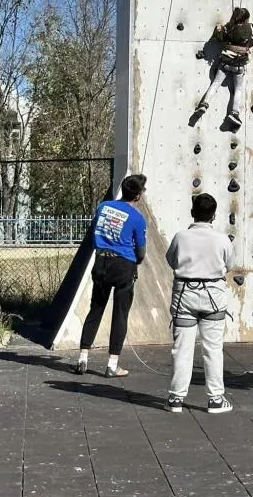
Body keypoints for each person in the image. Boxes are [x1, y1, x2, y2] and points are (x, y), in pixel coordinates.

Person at [164, 193, 234, 414]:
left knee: (181, 348)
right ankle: (215, 398)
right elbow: (229, 264)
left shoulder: (181, 236)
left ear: (192, 212)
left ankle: (176, 398)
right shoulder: (222, 239)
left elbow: (171, 260)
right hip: (213, 294)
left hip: (184, 293)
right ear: (214, 215)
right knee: (213, 349)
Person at [75, 173, 147, 378]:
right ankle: (112, 364)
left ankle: (82, 358)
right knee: (120, 313)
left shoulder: (103, 207)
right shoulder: (137, 218)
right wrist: (135, 263)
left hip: (101, 262)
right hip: (124, 265)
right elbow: (141, 252)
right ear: (138, 196)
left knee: (95, 309)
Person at [195, 6, 253, 128]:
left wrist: (218, 29)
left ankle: (204, 104)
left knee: (215, 84)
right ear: (246, 19)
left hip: (224, 63)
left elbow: (218, 37)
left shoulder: (227, 28)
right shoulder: (251, 28)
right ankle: (234, 113)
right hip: (239, 65)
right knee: (238, 89)